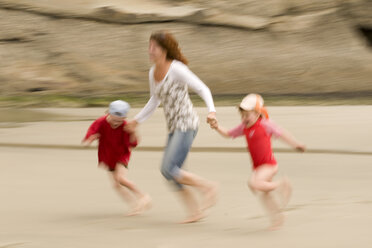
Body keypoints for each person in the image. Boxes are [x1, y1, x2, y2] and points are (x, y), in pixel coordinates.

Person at [125, 31, 218, 223]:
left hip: (187, 124)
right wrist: (137, 120)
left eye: (154, 47)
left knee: (169, 169)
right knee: (172, 173)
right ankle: (195, 212)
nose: (150, 50)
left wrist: (211, 111)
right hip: (174, 127)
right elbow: (154, 100)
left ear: (165, 50)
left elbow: (202, 88)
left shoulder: (177, 69)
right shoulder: (153, 73)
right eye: (149, 46)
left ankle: (208, 187)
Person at [210, 93, 305, 230]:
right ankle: (278, 217)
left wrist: (296, 144)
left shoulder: (266, 124)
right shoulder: (244, 127)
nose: (244, 118)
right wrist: (217, 127)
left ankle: (281, 185)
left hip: (269, 165)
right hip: (258, 167)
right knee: (260, 190)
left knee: (254, 183)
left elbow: (283, 134)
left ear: (257, 113)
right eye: (242, 115)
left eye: (247, 115)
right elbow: (228, 134)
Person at [82, 100, 151, 216]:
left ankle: (143, 197)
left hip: (121, 155)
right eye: (114, 120)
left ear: (124, 118)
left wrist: (133, 133)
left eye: (120, 121)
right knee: (116, 185)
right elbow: (91, 132)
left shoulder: (125, 126)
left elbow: (133, 144)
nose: (116, 123)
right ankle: (135, 206)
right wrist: (90, 138)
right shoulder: (100, 122)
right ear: (108, 113)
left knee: (121, 179)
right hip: (108, 156)